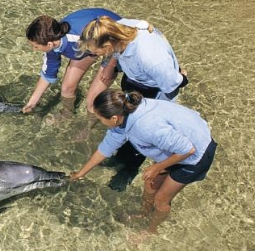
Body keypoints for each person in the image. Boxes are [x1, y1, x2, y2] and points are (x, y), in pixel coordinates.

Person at [70, 90, 216, 243]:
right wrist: (80, 174)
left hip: (197, 153)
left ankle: (151, 230)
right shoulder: (124, 113)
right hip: (177, 147)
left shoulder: (146, 126)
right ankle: (143, 213)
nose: (100, 122)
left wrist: (157, 167)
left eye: (100, 119)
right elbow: (105, 148)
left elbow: (187, 149)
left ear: (114, 118)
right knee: (149, 184)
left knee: (161, 199)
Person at [77, 16, 190, 191]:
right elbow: (137, 28)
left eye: (96, 52)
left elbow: (173, 84)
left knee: (141, 133)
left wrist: (182, 76)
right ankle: (120, 158)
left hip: (156, 92)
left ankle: (130, 168)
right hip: (134, 79)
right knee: (122, 123)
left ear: (108, 46)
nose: (94, 56)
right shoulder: (120, 28)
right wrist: (111, 64)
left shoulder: (150, 58)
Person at [22, 8, 122, 117]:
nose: (34, 49)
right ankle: (67, 115)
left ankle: (88, 128)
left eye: (35, 46)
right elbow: (48, 73)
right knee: (66, 89)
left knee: (92, 102)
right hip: (89, 47)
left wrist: (110, 66)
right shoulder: (53, 40)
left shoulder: (78, 37)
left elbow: (119, 44)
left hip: (116, 45)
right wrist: (32, 103)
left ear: (50, 44)